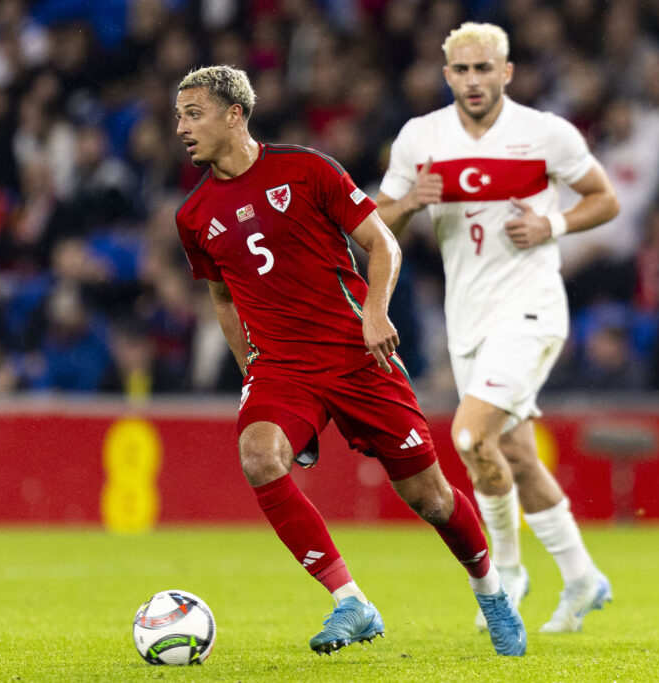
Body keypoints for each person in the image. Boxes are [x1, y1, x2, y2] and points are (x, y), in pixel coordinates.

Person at [173, 65, 526, 657]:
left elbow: (382, 243)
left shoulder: (307, 169)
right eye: (179, 115)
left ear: (235, 114)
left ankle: (490, 590)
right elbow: (223, 298)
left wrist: (375, 312)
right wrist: (250, 370)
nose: (181, 127)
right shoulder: (193, 215)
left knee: (432, 499)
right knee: (259, 457)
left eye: (194, 113)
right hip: (283, 369)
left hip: (357, 355)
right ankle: (350, 601)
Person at [374, 22, 620, 634]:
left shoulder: (544, 134)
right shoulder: (421, 138)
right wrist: (408, 204)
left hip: (532, 311)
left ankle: (507, 572)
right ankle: (585, 579)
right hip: (469, 321)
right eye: (462, 70)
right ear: (446, 73)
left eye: (485, 69)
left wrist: (554, 226)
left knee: (468, 436)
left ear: (506, 72)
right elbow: (374, 228)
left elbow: (604, 198)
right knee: (509, 450)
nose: (473, 80)